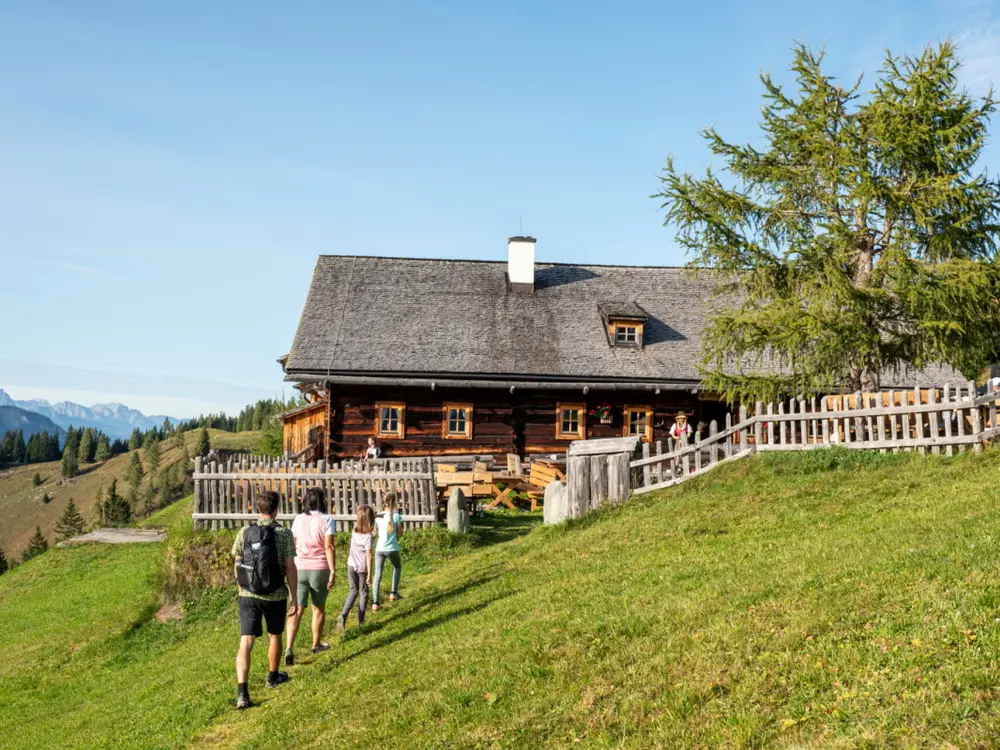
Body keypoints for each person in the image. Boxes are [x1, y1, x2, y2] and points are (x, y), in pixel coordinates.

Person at [232, 490, 298, 710]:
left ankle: (242, 693)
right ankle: (272, 676)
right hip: (275, 594)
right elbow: (289, 567)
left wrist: (243, 587)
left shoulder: (244, 532)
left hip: (248, 595)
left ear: (257, 509)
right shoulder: (284, 534)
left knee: (246, 641)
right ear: (276, 509)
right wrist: (294, 597)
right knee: (274, 635)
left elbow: (237, 564)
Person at [284, 487, 336, 666]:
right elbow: (329, 547)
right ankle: (316, 644)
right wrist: (333, 570)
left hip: (299, 567)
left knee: (296, 609)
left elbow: (293, 542)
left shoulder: (298, 519)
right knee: (318, 608)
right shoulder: (327, 520)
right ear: (322, 501)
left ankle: (289, 647)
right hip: (319, 567)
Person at [336, 505, 375, 633]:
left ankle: (343, 614)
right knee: (363, 593)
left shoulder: (354, 531)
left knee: (353, 591)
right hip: (362, 568)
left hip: (351, 565)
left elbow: (361, 519)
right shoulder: (368, 536)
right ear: (371, 519)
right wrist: (370, 574)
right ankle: (361, 621)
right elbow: (369, 555)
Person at [371, 492, 404, 611]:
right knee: (397, 567)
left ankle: (375, 603)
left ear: (382, 503)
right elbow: (400, 534)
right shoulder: (397, 517)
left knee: (377, 575)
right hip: (392, 549)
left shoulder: (378, 516)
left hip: (379, 549)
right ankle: (393, 593)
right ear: (395, 503)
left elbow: (374, 533)